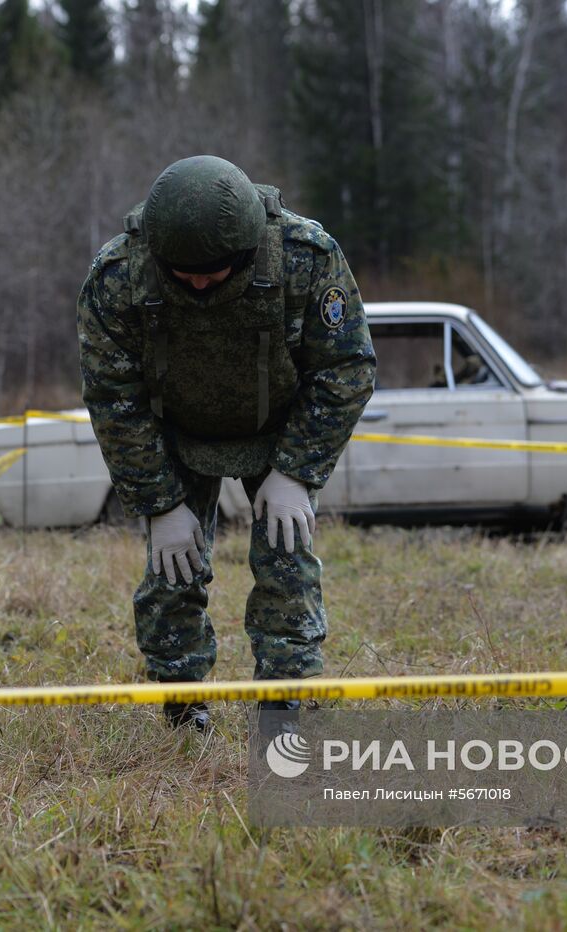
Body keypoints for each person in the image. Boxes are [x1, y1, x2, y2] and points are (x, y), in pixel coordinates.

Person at [78, 155, 376, 734]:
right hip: (174, 433)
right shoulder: (119, 276)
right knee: (173, 571)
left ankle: (281, 704)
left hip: (278, 429)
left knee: (287, 561)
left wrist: (296, 471)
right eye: (182, 273)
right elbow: (114, 396)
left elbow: (347, 368)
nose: (197, 283)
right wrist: (160, 503)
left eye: (212, 272)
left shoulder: (304, 256)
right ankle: (183, 704)